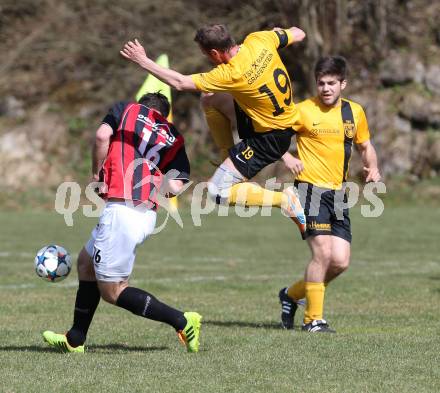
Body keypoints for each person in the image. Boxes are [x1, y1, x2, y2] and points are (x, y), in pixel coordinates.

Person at [43, 92, 202, 353]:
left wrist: (96, 173)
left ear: (143, 106)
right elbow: (175, 185)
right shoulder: (175, 136)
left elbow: (101, 136)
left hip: (122, 212)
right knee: (86, 263)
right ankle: (75, 339)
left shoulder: (128, 110)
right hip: (143, 213)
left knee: (113, 291)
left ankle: (183, 320)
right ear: (163, 114)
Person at [120, 24, 307, 236]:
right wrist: (277, 34)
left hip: (269, 137)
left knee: (218, 191)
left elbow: (180, 82)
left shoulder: (230, 73)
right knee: (210, 98)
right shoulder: (259, 40)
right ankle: (226, 156)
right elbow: (298, 33)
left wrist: (143, 61)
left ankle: (285, 200)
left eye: (206, 55)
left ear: (215, 53)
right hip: (276, 117)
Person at [278, 56, 382, 333]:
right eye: (321, 83)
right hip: (309, 189)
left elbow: (365, 145)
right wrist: (287, 159)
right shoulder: (302, 111)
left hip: (337, 194)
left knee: (340, 262)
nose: (325, 88)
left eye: (331, 83)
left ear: (343, 84)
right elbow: (269, 138)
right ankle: (313, 320)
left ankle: (291, 295)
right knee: (322, 254)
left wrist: (373, 167)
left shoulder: (354, 113)